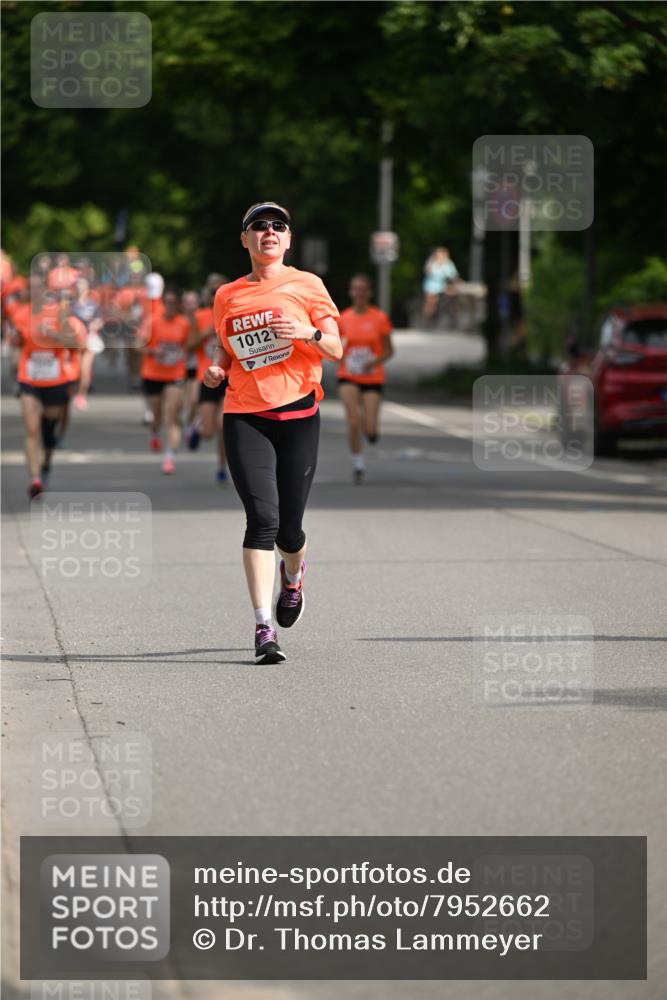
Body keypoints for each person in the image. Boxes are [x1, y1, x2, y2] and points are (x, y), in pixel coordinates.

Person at [204, 202, 342, 664]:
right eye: (258, 226)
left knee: (290, 530)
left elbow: (337, 347)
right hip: (244, 415)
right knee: (261, 521)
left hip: (299, 416)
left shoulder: (308, 285)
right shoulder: (227, 295)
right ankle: (264, 629)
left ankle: (294, 576)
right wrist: (216, 370)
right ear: (244, 240)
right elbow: (227, 350)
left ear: (287, 240)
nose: (268, 231)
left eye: (277, 226)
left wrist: (306, 331)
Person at [11, 274, 86, 497]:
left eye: (37, 289)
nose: (33, 293)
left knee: (48, 432)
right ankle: (35, 480)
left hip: (55, 380)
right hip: (29, 379)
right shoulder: (20, 314)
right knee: (32, 430)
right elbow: (17, 343)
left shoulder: (58, 314)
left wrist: (54, 335)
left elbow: (76, 344)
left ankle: (46, 464)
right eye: (29, 289)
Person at [337, 274, 394, 483]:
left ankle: (370, 432)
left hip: (372, 377)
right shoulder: (343, 318)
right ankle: (358, 463)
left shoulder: (379, 318)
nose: (359, 293)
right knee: (353, 421)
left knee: (369, 428)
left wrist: (373, 361)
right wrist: (342, 357)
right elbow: (335, 349)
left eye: (363, 289)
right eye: (355, 289)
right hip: (348, 375)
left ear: (369, 292)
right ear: (351, 292)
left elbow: (389, 350)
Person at [139, 287, 198, 474]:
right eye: (168, 302)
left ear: (178, 305)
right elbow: (139, 345)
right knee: (157, 416)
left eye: (174, 303)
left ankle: (169, 456)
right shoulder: (152, 321)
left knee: (171, 416)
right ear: (163, 303)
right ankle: (155, 432)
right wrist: (153, 351)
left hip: (175, 375)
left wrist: (184, 351)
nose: (170, 306)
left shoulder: (184, 324)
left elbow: (191, 346)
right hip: (153, 374)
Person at [185, 277, 230, 483]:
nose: (216, 295)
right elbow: (189, 346)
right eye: (213, 292)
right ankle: (197, 426)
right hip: (208, 376)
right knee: (209, 432)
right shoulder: (200, 316)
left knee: (224, 426)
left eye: (220, 291)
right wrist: (207, 333)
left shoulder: (235, 314)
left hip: (229, 377)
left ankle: (222, 468)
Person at [422, 246, 459, 323]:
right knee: (431, 301)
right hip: (431, 285)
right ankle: (427, 319)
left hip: (443, 285)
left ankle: (453, 315)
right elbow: (428, 272)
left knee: (453, 295)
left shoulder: (448, 263)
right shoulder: (432, 262)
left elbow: (453, 275)